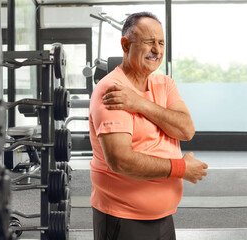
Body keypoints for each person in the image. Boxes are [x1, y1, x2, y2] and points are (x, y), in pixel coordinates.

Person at [89, 11, 208, 240]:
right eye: (149, 42)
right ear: (126, 45)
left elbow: (186, 130)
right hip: (123, 218)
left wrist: (140, 104)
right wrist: (181, 168)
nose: (157, 50)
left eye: (161, 43)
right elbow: (121, 160)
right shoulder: (112, 91)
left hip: (164, 217)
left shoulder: (164, 84)